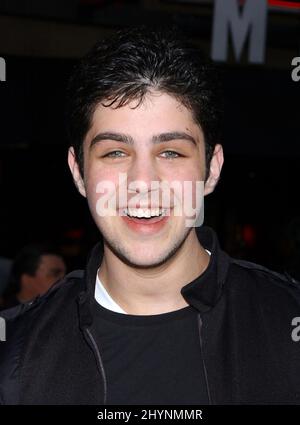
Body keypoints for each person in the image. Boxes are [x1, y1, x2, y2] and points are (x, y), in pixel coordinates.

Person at [0, 25, 300, 405]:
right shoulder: (13, 357)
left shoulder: (286, 326)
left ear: (212, 168)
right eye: (115, 153)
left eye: (171, 152)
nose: (143, 182)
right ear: (79, 172)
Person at [0, 244, 66, 310]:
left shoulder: (66, 310)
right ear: (27, 279)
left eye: (65, 275)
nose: (64, 280)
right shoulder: (6, 316)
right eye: (55, 274)